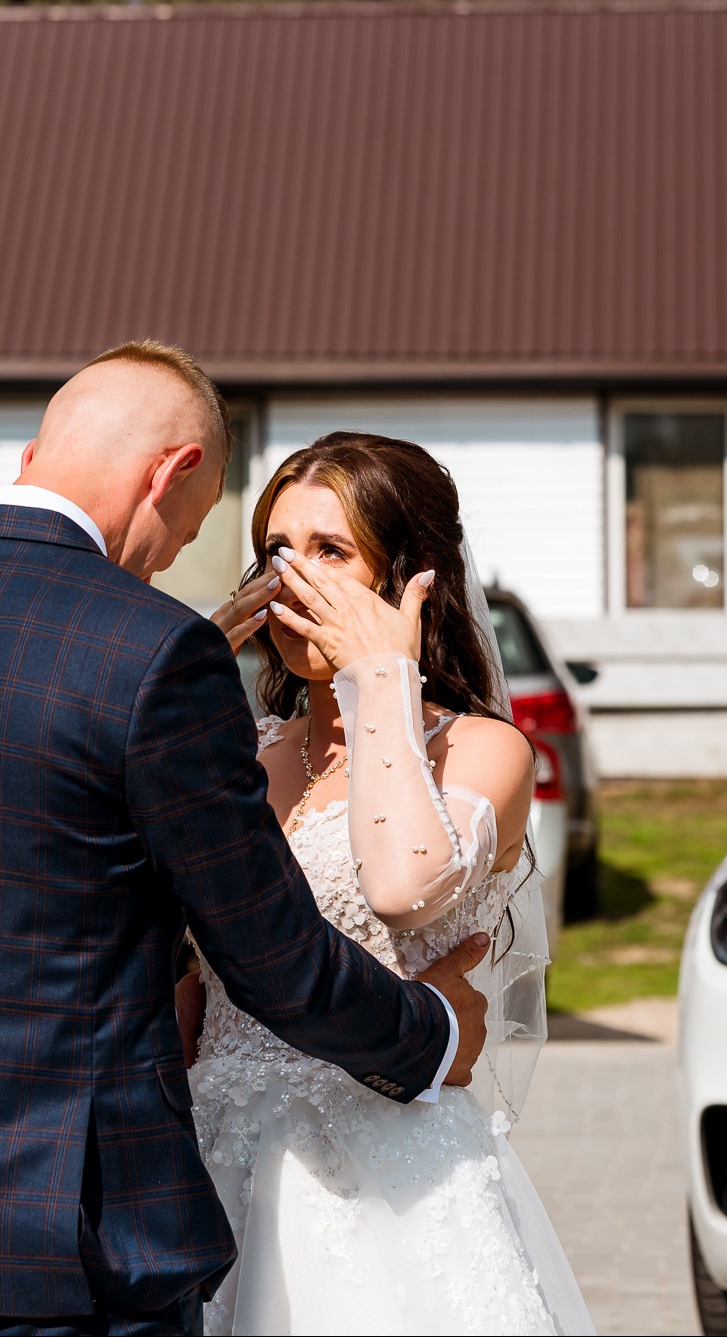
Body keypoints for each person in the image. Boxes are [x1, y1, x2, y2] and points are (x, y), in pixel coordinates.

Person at [0, 341, 493, 1337]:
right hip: (74, 1238)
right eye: (186, 529)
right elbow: (271, 959)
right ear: (170, 471)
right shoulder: (153, 652)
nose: (161, 559)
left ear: (38, 449)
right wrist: (431, 1033)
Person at [181, 433, 593, 1334]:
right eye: (276, 552)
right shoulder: (242, 754)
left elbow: (403, 884)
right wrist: (183, 688)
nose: (293, 581)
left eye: (331, 552)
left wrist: (382, 678)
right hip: (214, 1170)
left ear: (412, 582)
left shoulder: (482, 751)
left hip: (385, 1186)